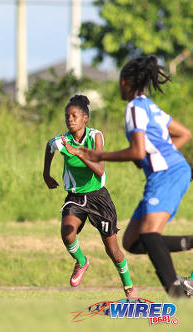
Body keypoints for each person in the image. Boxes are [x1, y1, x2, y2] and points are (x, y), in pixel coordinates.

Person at [70, 56, 193, 298]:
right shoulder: (148, 105)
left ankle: (178, 291)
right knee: (133, 242)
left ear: (126, 82)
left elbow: (138, 150)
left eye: (119, 82)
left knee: (149, 234)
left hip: (167, 173)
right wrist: (151, 155)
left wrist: (100, 155)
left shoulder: (134, 107)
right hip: (166, 172)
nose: (119, 86)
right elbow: (184, 134)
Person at [43, 94, 138, 298]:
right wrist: (46, 174)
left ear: (85, 118)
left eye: (74, 115)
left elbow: (100, 170)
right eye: (67, 116)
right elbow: (49, 147)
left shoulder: (95, 136)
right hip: (75, 197)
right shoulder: (61, 140)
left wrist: (78, 153)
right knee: (67, 232)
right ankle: (82, 261)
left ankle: (129, 287)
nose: (70, 119)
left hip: (98, 198)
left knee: (112, 249)